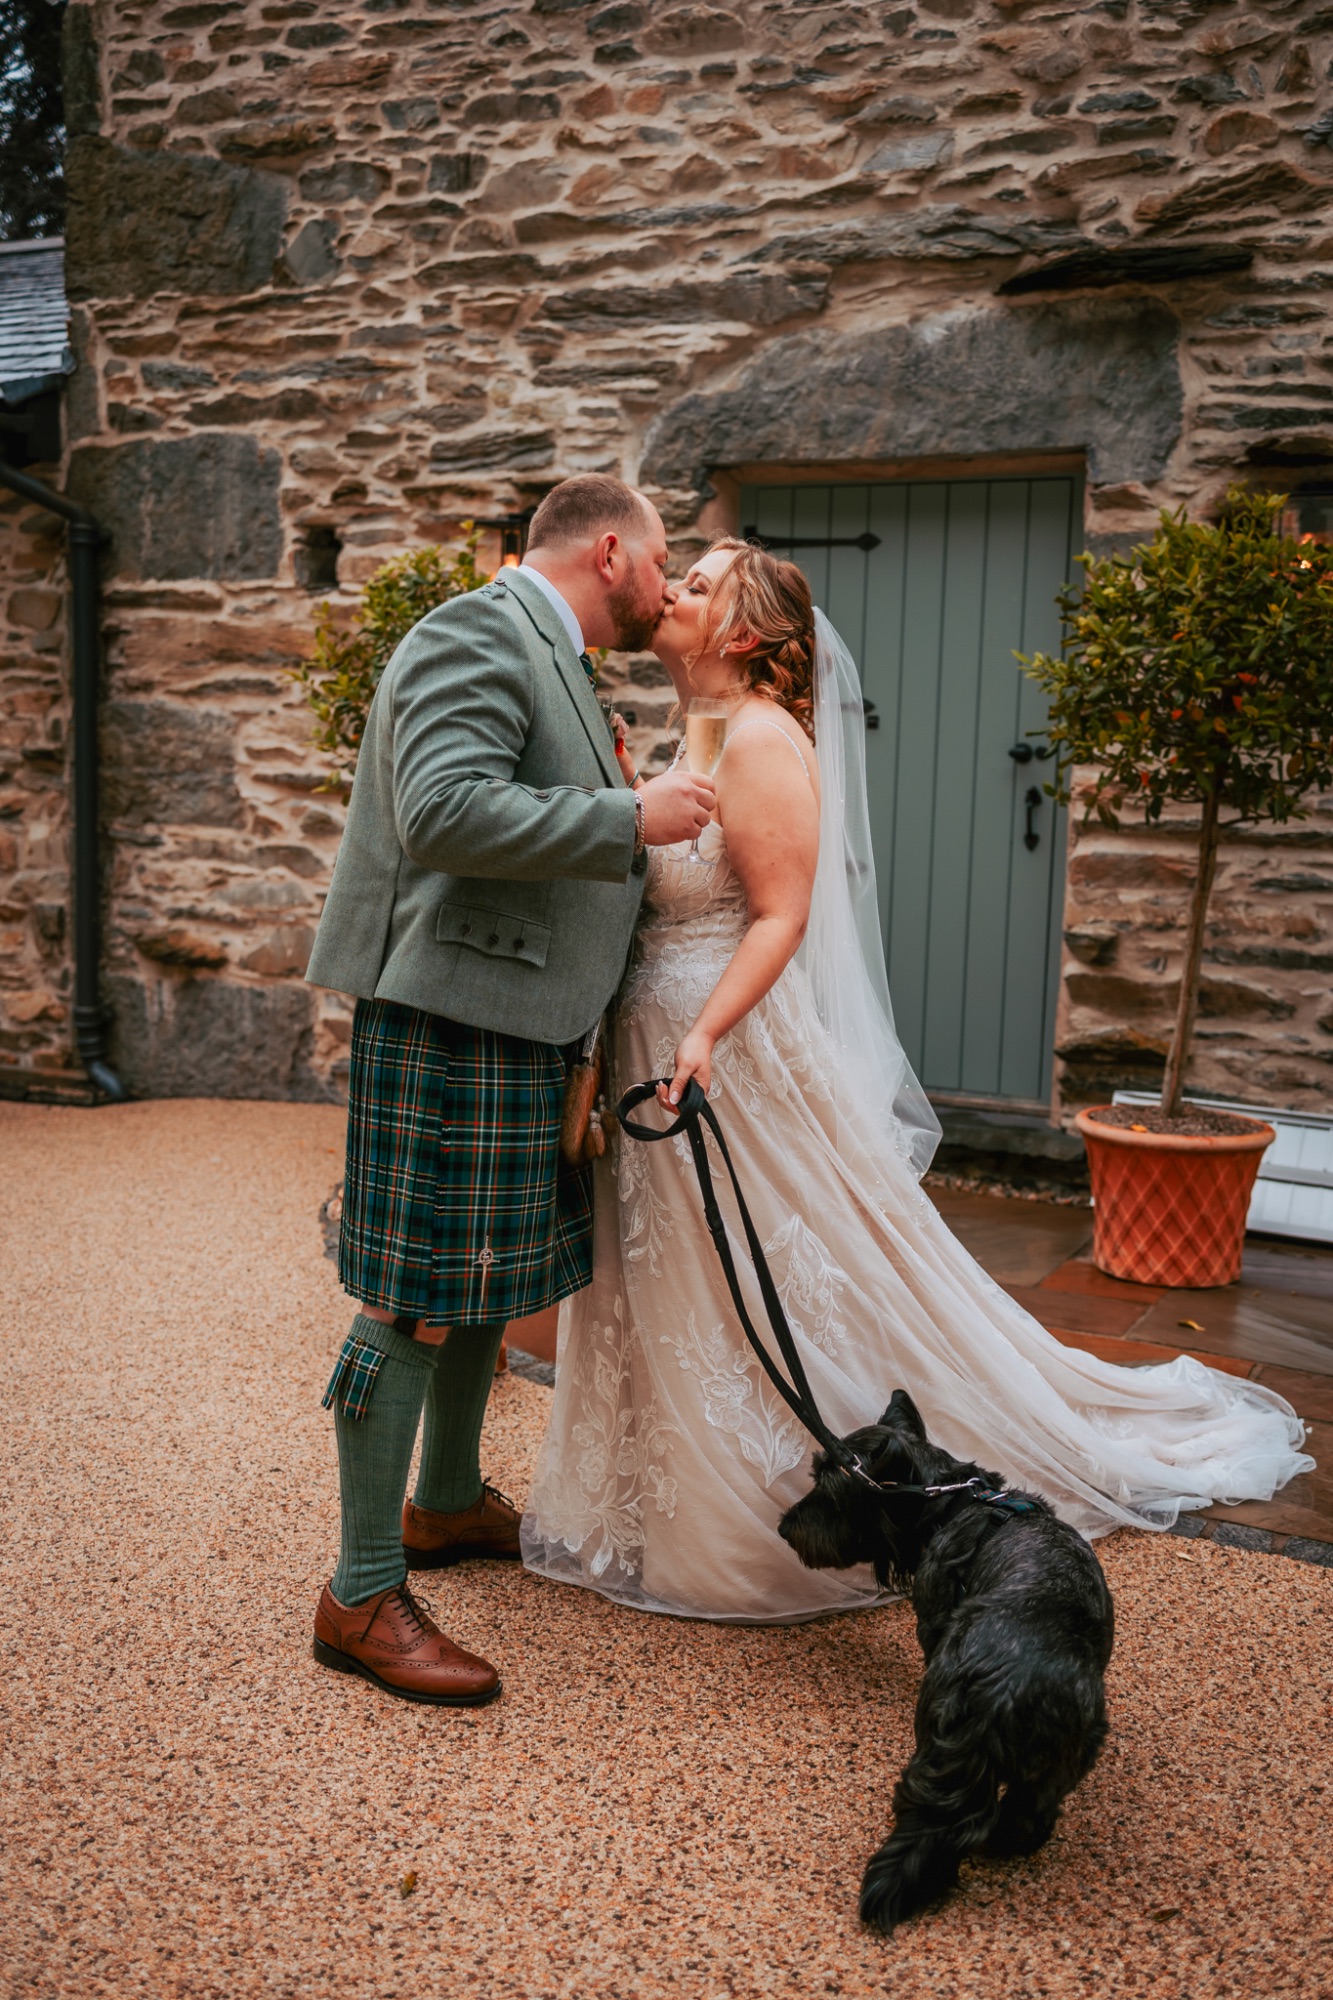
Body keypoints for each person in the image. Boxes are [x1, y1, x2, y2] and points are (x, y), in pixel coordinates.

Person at [521, 539, 1313, 1624]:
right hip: (655, 1028)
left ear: (744, 636)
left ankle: (760, 1523)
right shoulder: (696, 729)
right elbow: (676, 868)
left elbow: (780, 916)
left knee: (761, 1271)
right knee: (682, 1276)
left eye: (698, 584)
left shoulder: (759, 739)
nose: (672, 590)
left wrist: (701, 1033)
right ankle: (665, 1505)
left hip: (717, 1042)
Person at [303, 476, 719, 1703]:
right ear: (611, 551)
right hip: (452, 1022)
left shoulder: (553, 654)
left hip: (523, 1024)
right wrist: (626, 814)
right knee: (412, 1295)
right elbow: (442, 811)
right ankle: (361, 1587)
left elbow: (525, 805)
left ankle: (438, 1505)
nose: (665, 584)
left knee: (486, 1282)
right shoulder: (477, 628)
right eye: (662, 563)